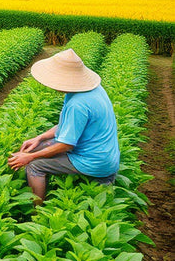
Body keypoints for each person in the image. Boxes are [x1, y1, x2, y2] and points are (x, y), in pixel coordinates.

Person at [7, 48, 119, 204]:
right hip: (104, 155)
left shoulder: (77, 104)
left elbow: (66, 145)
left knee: (34, 166)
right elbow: (66, 126)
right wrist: (40, 138)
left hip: (93, 162)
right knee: (38, 147)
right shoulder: (91, 90)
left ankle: (36, 212)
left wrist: (29, 157)